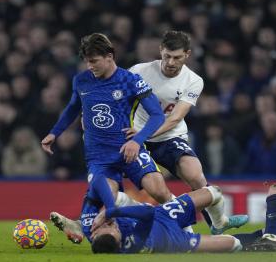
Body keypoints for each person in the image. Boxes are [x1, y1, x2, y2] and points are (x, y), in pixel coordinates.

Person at [41, 33, 173, 241]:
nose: (89, 66)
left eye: (94, 61)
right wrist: (54, 132)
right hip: (99, 157)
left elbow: (157, 115)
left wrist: (137, 141)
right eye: (86, 61)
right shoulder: (81, 80)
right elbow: (72, 108)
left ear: (109, 56)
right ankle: (96, 223)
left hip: (128, 149)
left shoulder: (130, 80)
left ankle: (184, 232)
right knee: (109, 198)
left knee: (159, 191)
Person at [125, 30, 246, 233]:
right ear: (161, 50)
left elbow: (175, 118)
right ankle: (185, 229)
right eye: (167, 56)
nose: (171, 62)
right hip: (138, 138)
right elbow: (119, 99)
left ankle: (218, 224)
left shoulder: (194, 80)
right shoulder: (139, 70)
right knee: (158, 190)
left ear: (187, 55)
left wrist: (144, 135)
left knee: (197, 177)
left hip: (168, 136)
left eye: (177, 57)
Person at [54, 186, 244, 253]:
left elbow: (94, 187)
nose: (110, 224)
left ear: (93, 234)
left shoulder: (92, 227)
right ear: (120, 241)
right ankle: (257, 242)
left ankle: (219, 225)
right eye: (114, 228)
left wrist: (96, 213)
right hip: (172, 241)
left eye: (106, 225)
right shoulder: (133, 244)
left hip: (163, 215)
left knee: (213, 192)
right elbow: (147, 214)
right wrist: (112, 212)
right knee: (233, 244)